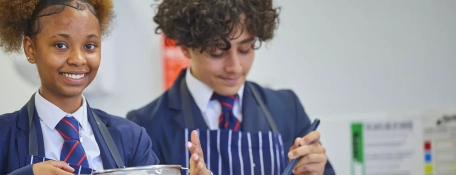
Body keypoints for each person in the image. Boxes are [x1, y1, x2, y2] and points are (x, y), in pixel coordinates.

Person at [0, 0, 191, 174]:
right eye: (60, 45)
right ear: (30, 49)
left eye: (90, 46)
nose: (78, 59)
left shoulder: (132, 140)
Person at [127, 0, 336, 175]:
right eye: (217, 52)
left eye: (245, 49)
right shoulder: (144, 127)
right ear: (185, 47)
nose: (235, 67)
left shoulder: (287, 109)